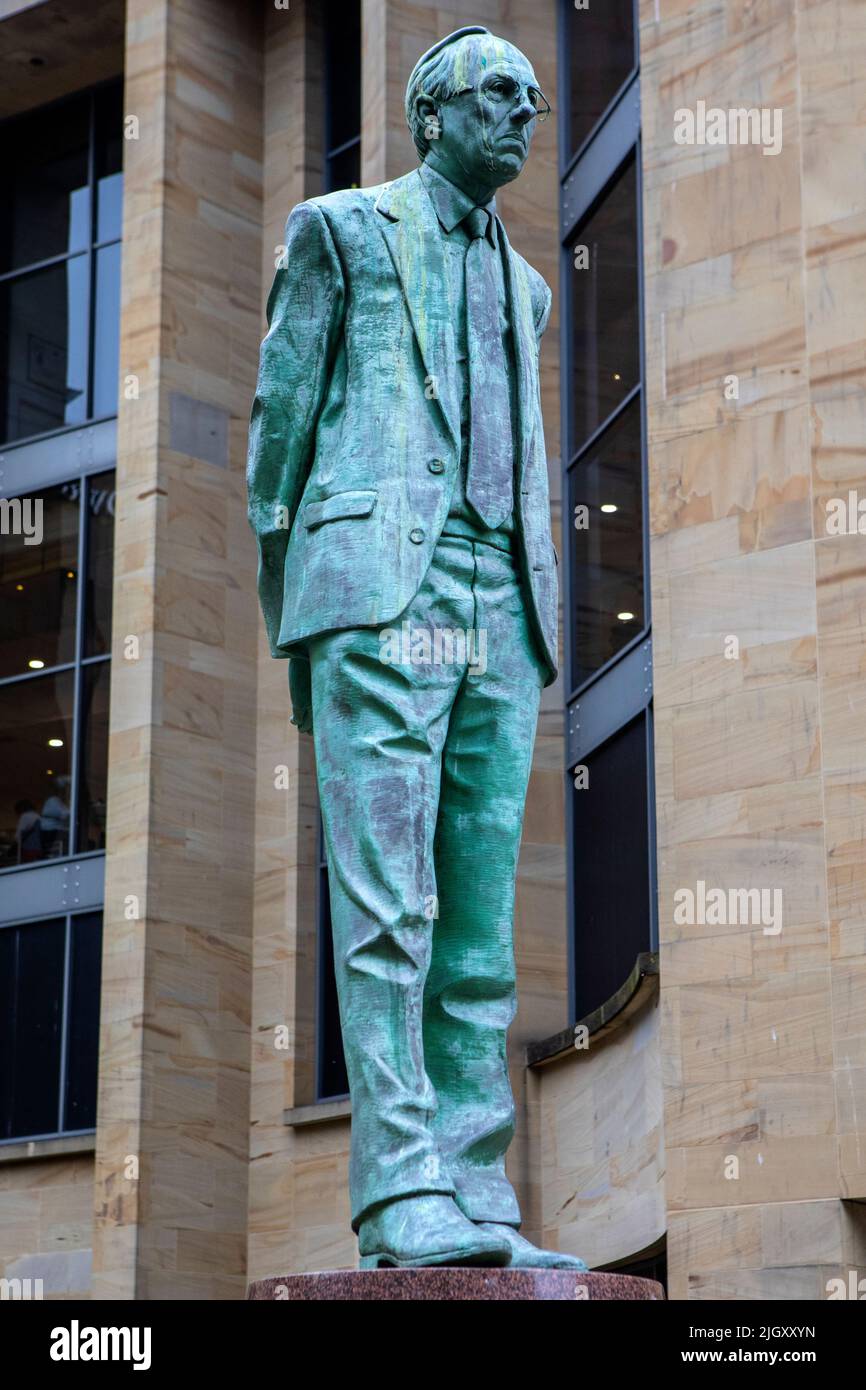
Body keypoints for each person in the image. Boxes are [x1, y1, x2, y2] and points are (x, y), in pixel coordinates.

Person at [247, 26, 585, 1271]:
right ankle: (397, 1190)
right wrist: (306, 601)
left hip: (503, 602)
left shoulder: (528, 287)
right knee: (388, 903)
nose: (525, 115)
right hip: (378, 593)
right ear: (427, 111)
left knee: (480, 923)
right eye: (501, 95)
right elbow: (277, 432)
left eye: (536, 100)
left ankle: (476, 1185)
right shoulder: (340, 231)